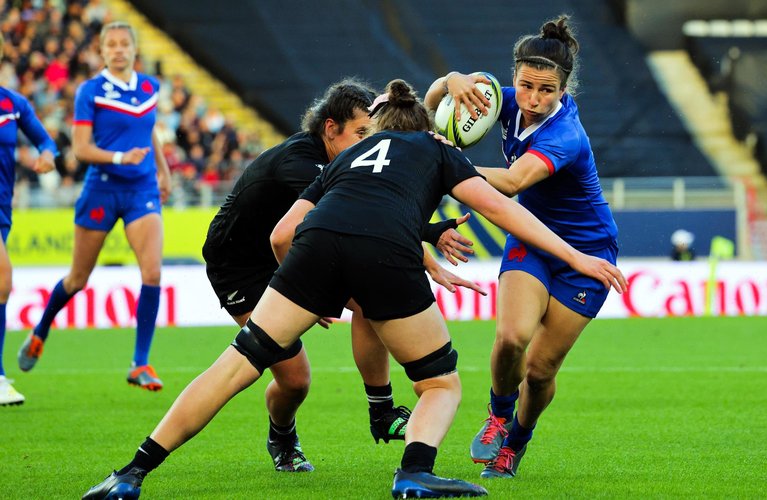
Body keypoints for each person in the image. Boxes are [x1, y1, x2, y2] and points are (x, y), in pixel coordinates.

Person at [82, 78, 625, 499]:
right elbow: (503, 209)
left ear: (380, 126)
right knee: (439, 384)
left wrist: (311, 293)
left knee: (233, 367)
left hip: (313, 249)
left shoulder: (344, 158)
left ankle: (131, 472)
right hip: (385, 254)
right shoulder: (436, 149)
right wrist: (577, 256)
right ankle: (414, 473)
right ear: (427, 128)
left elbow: (283, 235)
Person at [201, 78, 481, 472]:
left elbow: (365, 211)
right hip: (243, 269)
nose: (372, 141)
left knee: (368, 300)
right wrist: (431, 236)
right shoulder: (302, 163)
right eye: (362, 133)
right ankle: (283, 437)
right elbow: (355, 211)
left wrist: (431, 234)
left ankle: (380, 410)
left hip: (293, 251)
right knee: (295, 380)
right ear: (331, 129)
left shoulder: (343, 159)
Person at [424, 14, 622, 479]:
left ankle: (516, 441)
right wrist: (450, 81)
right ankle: (498, 415)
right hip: (531, 237)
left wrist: (447, 164)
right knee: (512, 337)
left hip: (587, 254)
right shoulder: (505, 100)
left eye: (546, 91)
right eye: (526, 86)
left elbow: (513, 182)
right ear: (513, 76)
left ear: (563, 90)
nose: (533, 99)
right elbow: (432, 107)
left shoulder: (566, 134)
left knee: (540, 369)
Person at [17, 22, 172, 390]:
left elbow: (148, 128)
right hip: (101, 189)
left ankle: (140, 363)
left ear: (134, 49)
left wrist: (163, 170)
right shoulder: (91, 91)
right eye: (111, 45)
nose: (118, 50)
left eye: (124, 44)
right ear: (101, 51)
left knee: (152, 273)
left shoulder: (149, 87)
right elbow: (81, 148)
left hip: (141, 189)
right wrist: (120, 158)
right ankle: (40, 330)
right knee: (77, 279)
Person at [0, 33, 58, 407]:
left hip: (4, 210)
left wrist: (48, 155)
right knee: (2, 280)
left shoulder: (12, 103)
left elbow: (46, 141)